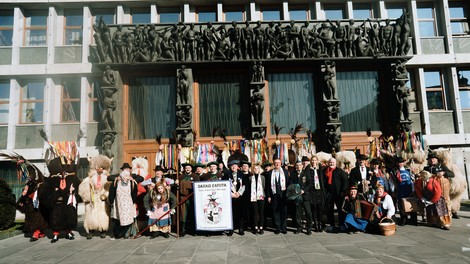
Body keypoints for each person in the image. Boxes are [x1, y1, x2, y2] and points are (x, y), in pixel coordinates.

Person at [78, 155, 112, 239]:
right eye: (98, 167)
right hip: (92, 200)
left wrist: (105, 195)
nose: (100, 169)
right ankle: (91, 231)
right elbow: (82, 189)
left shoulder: (107, 178)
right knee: (91, 215)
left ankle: (103, 230)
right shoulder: (89, 178)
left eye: (102, 167)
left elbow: (109, 188)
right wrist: (87, 196)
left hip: (102, 199)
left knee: (103, 214)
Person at [108, 169, 139, 239]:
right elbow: (112, 192)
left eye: (128, 175)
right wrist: (111, 201)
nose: (126, 177)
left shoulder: (132, 183)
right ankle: (119, 233)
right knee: (119, 219)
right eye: (125, 176)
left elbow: (134, 193)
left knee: (129, 219)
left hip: (128, 204)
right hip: (119, 204)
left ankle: (128, 232)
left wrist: (133, 202)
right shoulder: (116, 182)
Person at [323, 157, 349, 231]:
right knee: (329, 210)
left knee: (340, 210)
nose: (331, 164)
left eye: (333, 163)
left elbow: (345, 181)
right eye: (330, 162)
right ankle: (332, 224)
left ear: (335, 163)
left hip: (338, 194)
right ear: (328, 163)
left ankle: (341, 224)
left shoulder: (340, 171)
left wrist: (343, 192)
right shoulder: (325, 171)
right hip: (329, 194)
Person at [222, 160, 246, 236]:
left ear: (237, 166)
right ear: (230, 167)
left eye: (235, 165)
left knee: (240, 213)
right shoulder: (226, 175)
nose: (233, 167)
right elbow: (224, 186)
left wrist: (239, 193)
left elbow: (244, 185)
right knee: (231, 213)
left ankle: (241, 229)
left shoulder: (241, 174)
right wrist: (231, 194)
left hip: (240, 197)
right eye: (232, 165)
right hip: (230, 197)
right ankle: (231, 229)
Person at [266, 158, 289, 234]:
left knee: (284, 211)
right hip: (274, 194)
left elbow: (288, 184)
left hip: (283, 195)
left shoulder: (285, 172)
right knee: (276, 212)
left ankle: (284, 227)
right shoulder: (270, 173)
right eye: (275, 163)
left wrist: (288, 194)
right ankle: (277, 228)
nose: (277, 164)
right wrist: (269, 196)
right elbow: (268, 185)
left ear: (281, 164)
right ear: (274, 164)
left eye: (278, 163)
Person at [177, 163, 200, 236]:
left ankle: (193, 230)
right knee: (183, 214)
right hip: (183, 198)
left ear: (191, 169)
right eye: (186, 168)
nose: (187, 169)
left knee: (192, 213)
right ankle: (183, 230)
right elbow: (177, 187)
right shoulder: (181, 177)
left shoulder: (195, 176)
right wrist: (176, 183)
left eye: (189, 168)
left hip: (192, 198)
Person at [395, 157, 416, 226]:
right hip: (400, 190)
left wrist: (413, 190)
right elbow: (392, 182)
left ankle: (413, 220)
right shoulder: (395, 172)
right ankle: (404, 219)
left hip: (409, 189)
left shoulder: (409, 171)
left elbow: (413, 180)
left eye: (401, 162)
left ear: (404, 163)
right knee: (401, 205)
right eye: (399, 163)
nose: (400, 164)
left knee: (411, 204)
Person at [308, 155, 326, 232]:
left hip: (320, 191)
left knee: (320, 209)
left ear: (317, 161)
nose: (314, 162)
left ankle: (320, 224)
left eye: (315, 160)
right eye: (312, 160)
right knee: (314, 209)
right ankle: (315, 224)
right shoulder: (309, 170)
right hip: (312, 192)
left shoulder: (321, 170)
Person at [250, 163, 266, 234]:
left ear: (259, 169)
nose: (256, 170)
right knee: (255, 212)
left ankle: (261, 227)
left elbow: (264, 186)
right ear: (253, 170)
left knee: (261, 212)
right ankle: (256, 227)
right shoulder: (250, 178)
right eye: (255, 168)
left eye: (257, 168)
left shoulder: (262, 177)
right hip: (253, 197)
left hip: (261, 196)